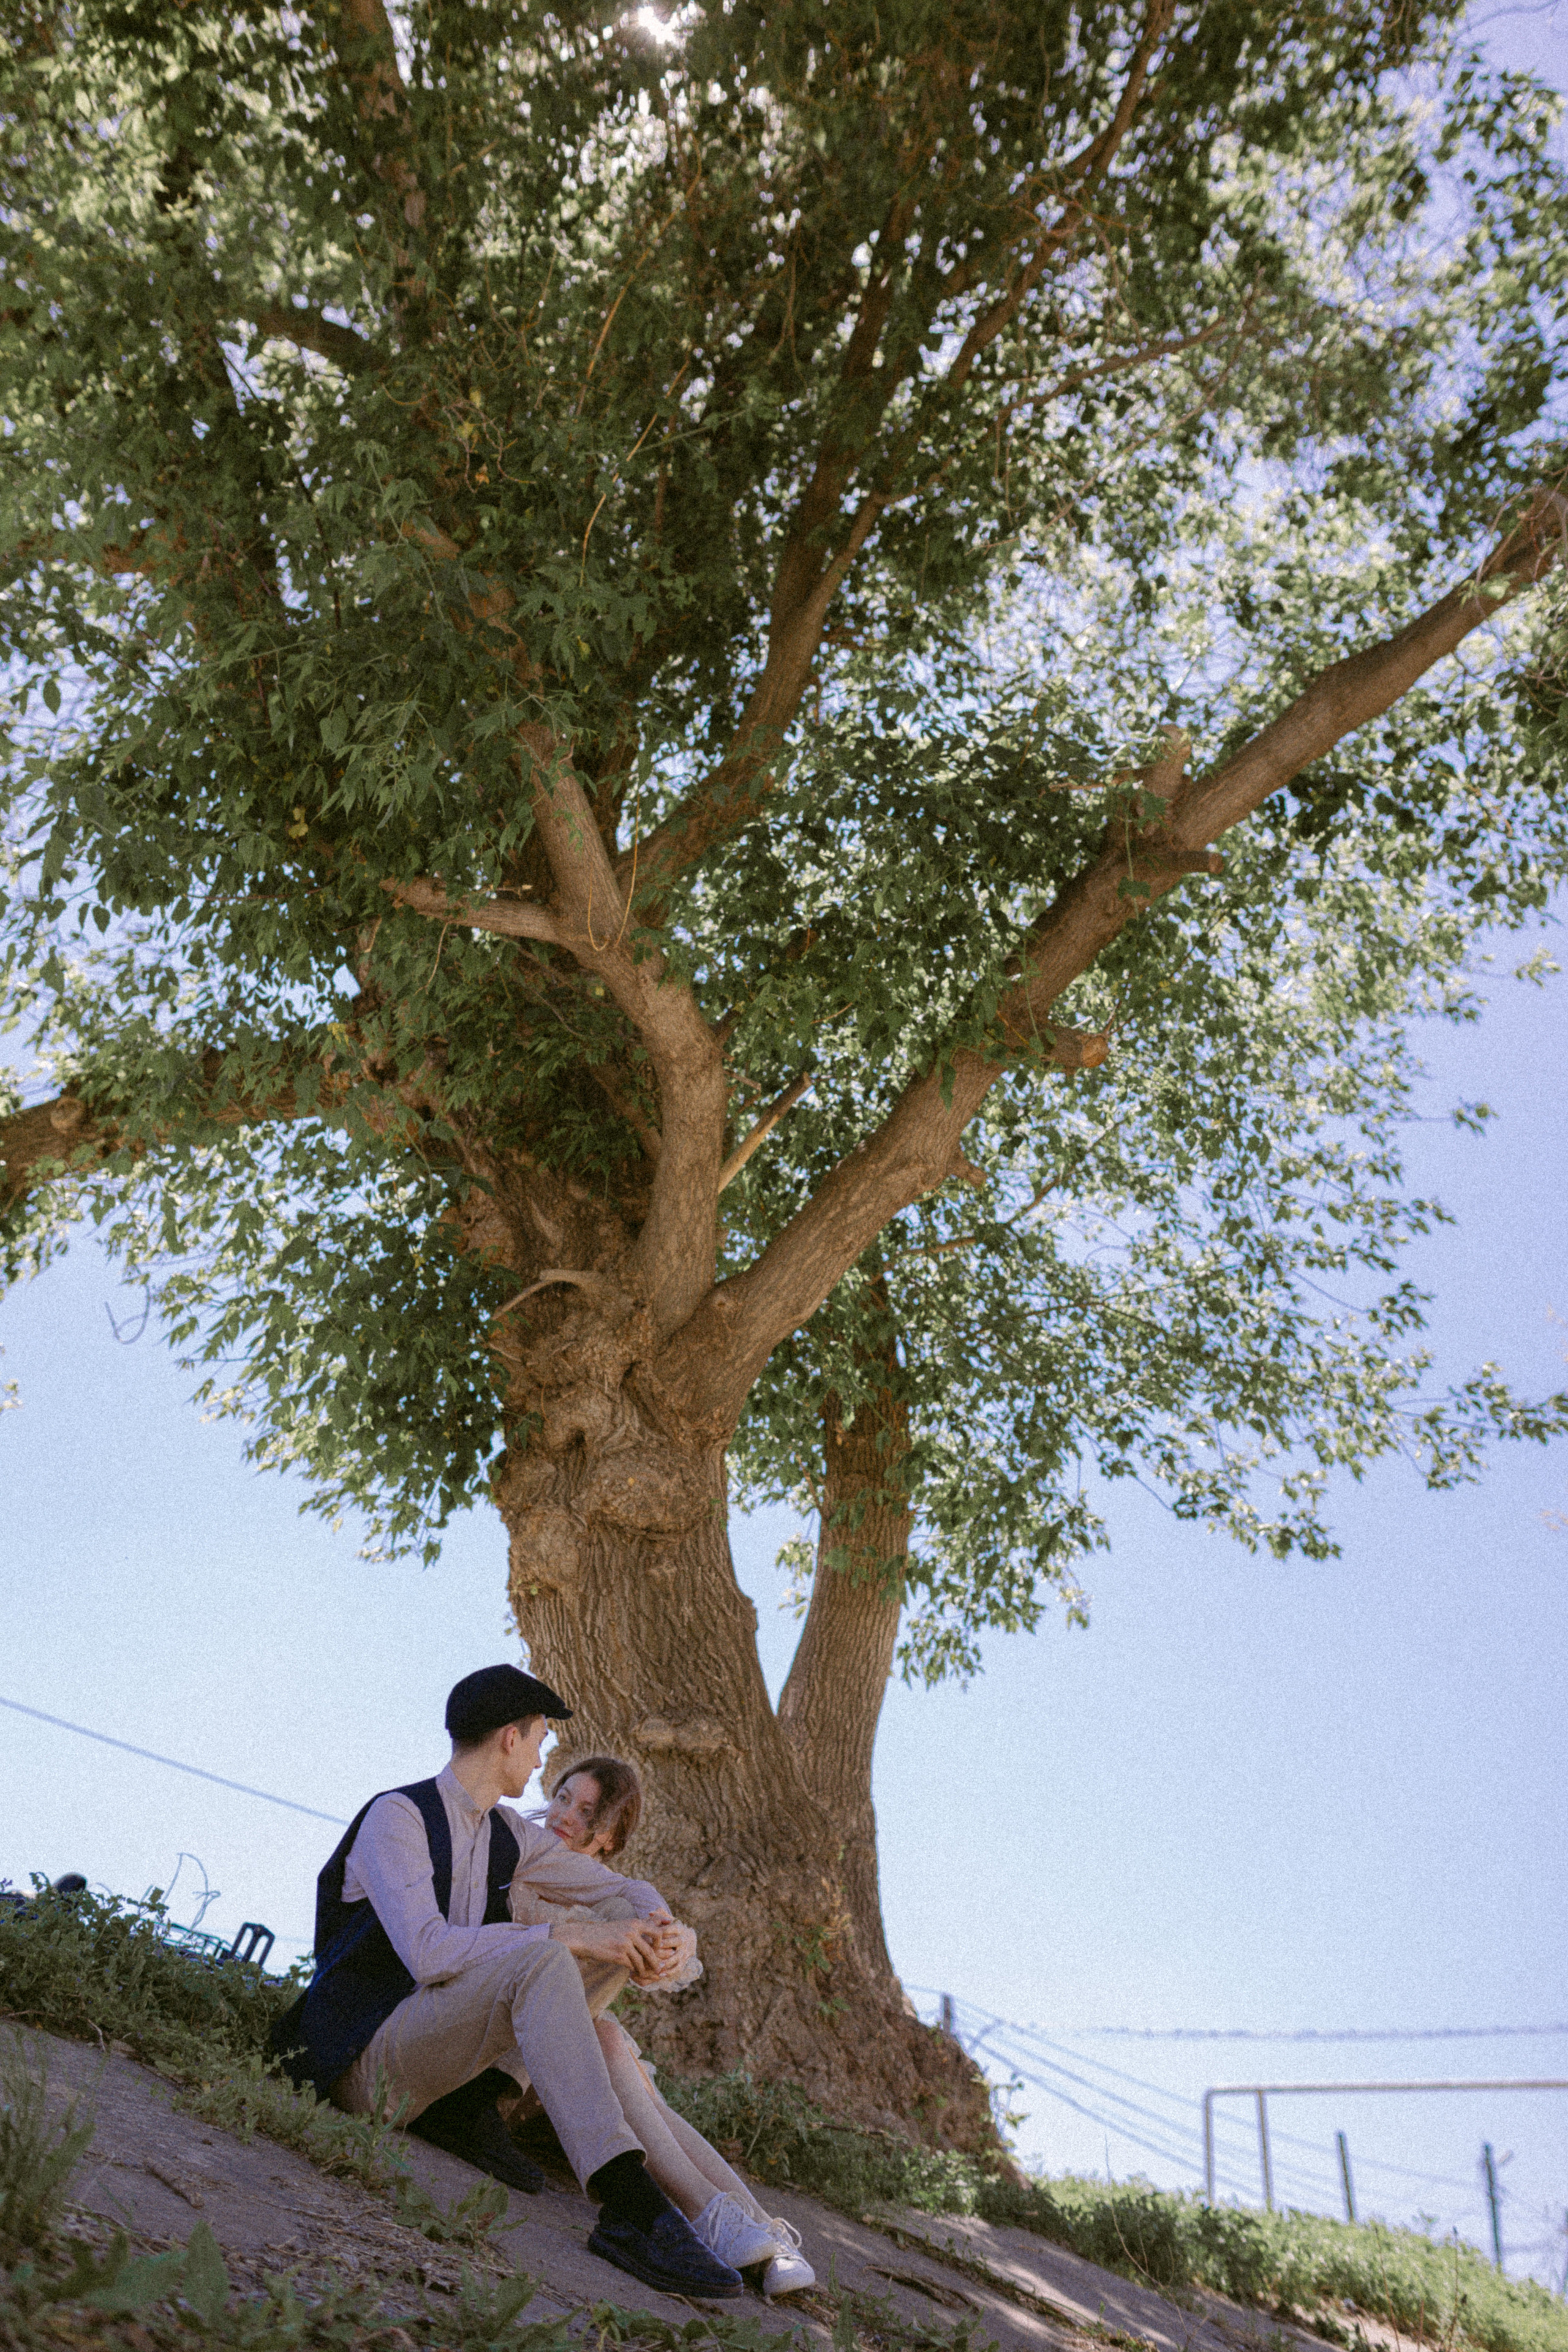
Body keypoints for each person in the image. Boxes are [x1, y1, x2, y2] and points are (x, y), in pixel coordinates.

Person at [268, 1663, 744, 2299]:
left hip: (438, 2060)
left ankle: (503, 2123)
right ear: (509, 1739)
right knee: (549, 1951)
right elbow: (429, 1954)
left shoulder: (510, 1835)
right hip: (365, 2066)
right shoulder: (399, 1819)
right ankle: (633, 2204)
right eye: (542, 1736)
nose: (545, 1754)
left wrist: (667, 1930)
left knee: (600, 1934)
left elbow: (619, 1891)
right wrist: (565, 1936)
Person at [528, 1754, 815, 2299]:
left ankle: (760, 2231)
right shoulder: (523, 1854)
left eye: (587, 1811)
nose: (565, 1814)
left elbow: (647, 1915)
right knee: (610, 2038)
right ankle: (710, 2214)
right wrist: (631, 1930)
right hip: (517, 2059)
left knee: (625, 2060)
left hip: (569, 2063)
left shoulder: (609, 1889)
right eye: (563, 1797)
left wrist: (675, 1937)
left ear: (609, 1835)